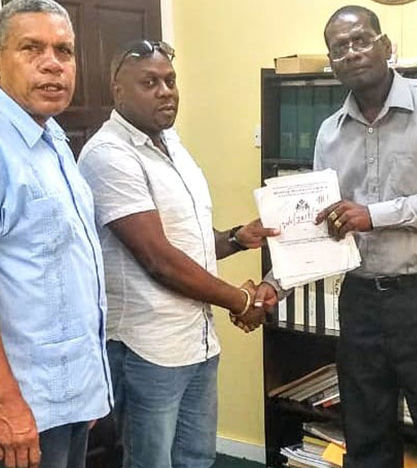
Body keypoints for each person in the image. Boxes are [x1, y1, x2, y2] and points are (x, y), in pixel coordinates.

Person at [268, 5, 417, 468]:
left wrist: (374, 215)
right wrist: (274, 282)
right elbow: (320, 227)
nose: (351, 52)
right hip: (361, 301)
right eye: (339, 47)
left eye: (361, 40)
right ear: (331, 61)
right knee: (366, 440)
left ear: (386, 46)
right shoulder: (329, 134)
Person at [76, 39, 278, 468]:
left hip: (197, 340)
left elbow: (191, 243)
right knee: (152, 462)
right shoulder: (109, 155)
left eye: (170, 80)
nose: (165, 91)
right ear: (118, 90)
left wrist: (239, 237)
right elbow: (159, 259)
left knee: (197, 459)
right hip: (149, 349)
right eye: (149, 82)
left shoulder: (172, 144)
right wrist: (240, 301)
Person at [0, 0, 112, 468]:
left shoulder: (52, 139)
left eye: (64, 51)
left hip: (65, 397)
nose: (52, 65)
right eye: (31, 49)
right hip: (17, 409)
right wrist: (8, 404)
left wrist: (83, 388)